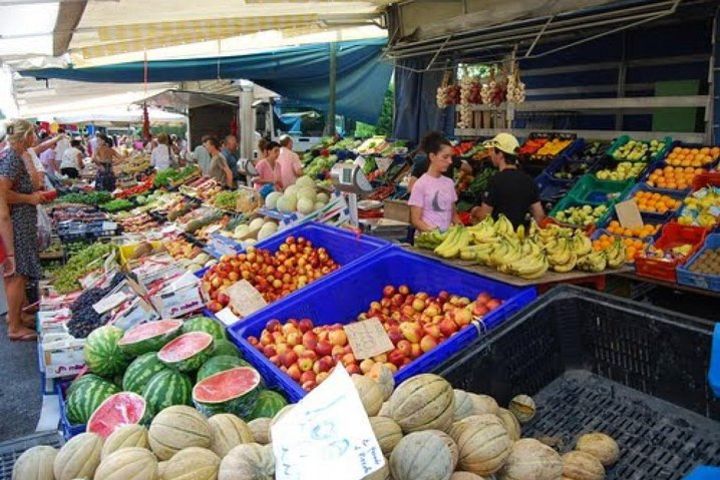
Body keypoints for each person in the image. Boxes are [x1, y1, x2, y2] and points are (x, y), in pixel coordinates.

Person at [0, 119, 51, 341]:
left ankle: (18, 315)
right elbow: (3, 193)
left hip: (20, 220)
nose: (35, 138)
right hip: (17, 223)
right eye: (33, 135)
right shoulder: (12, 158)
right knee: (17, 274)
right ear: (25, 136)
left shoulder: (16, 155)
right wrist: (30, 198)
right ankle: (14, 327)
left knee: (17, 273)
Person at [471, 133, 545, 229]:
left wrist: (475, 211)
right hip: (519, 237)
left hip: (498, 237)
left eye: (492, 150)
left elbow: (484, 216)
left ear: (500, 154)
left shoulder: (495, 181)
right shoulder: (528, 180)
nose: (490, 154)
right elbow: (539, 216)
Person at [408, 132, 461, 232]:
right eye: (445, 157)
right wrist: (435, 233)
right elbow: (416, 220)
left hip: (446, 240)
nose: (450, 161)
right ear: (432, 157)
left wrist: (463, 231)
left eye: (451, 157)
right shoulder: (420, 185)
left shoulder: (449, 183)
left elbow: (454, 215)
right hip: (427, 242)